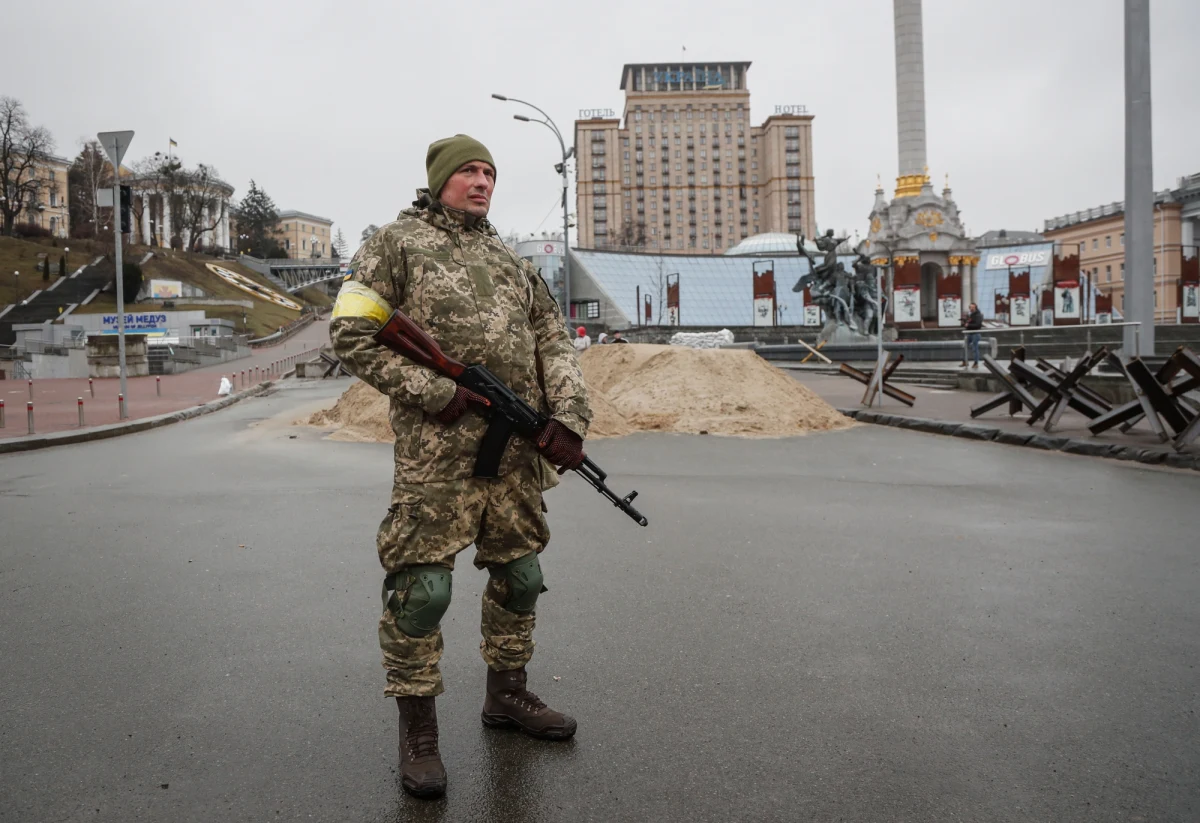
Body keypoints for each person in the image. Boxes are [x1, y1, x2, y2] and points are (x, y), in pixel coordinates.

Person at [329, 134, 591, 800]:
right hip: (435, 456)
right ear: (441, 179)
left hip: (514, 455)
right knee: (425, 592)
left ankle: (508, 695)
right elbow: (351, 331)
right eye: (469, 172)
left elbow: (553, 338)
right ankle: (418, 734)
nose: (482, 182)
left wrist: (568, 417)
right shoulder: (396, 244)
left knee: (522, 576)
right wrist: (437, 392)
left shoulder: (510, 258)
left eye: (490, 173)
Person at [962, 302, 984, 368]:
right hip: (969, 333)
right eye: (970, 307)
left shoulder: (978, 315)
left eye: (973, 307)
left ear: (975, 308)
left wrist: (968, 325)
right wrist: (965, 324)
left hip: (975, 333)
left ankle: (976, 363)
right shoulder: (970, 314)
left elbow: (978, 325)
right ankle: (965, 361)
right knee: (965, 347)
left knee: (975, 349)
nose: (971, 308)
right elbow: (969, 323)